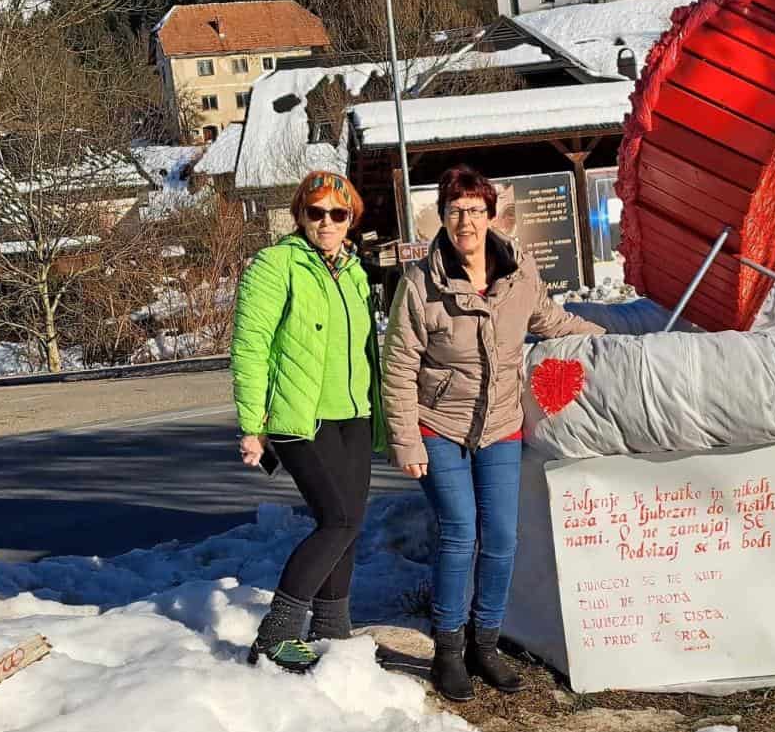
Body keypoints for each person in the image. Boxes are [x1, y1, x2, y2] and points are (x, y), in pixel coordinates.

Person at [382, 164, 606, 701]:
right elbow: (397, 367)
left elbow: (553, 321)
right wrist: (406, 440)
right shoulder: (420, 286)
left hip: (501, 424)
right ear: (443, 215)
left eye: (475, 210)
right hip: (440, 425)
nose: (466, 221)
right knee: (460, 532)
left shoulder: (518, 277)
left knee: (503, 537)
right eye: (455, 210)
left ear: (492, 215)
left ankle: (487, 643)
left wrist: (611, 340)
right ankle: (448, 650)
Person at [231, 171, 386, 673]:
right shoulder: (275, 266)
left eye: (337, 214)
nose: (326, 222)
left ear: (350, 220)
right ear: (300, 214)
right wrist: (252, 423)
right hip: (300, 419)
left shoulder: (355, 271)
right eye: (315, 212)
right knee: (336, 520)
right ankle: (276, 633)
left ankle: (331, 629)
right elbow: (250, 347)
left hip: (353, 415)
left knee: (349, 525)